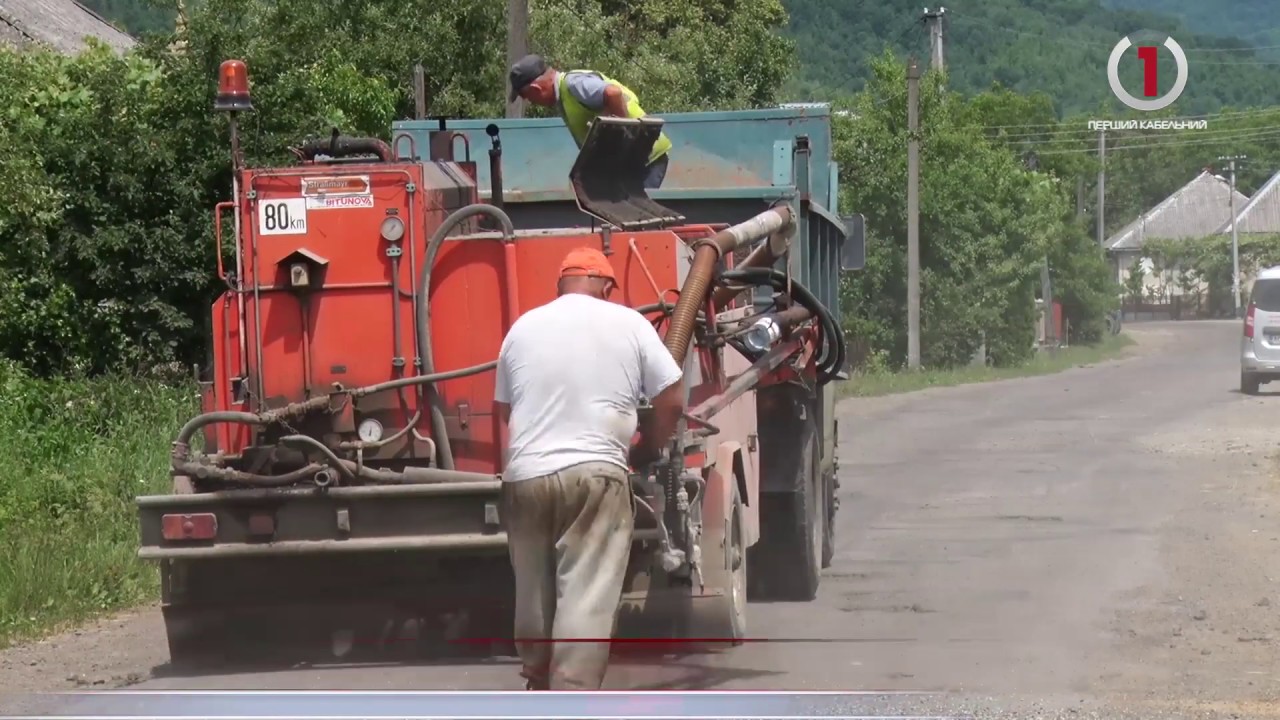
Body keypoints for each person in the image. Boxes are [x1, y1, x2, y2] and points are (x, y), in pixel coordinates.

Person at [493, 246, 685, 690]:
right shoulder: (628, 323)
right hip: (596, 473)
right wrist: (648, 446)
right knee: (586, 588)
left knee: (533, 584)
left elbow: (503, 409)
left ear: (562, 285)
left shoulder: (522, 328)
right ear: (604, 285)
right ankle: (572, 692)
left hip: (525, 476)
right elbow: (672, 397)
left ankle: (536, 673)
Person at [507, 54, 672, 190]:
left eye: (527, 97)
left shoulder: (574, 84)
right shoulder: (564, 96)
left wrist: (622, 135)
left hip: (646, 156)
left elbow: (613, 93)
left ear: (536, 89)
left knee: (635, 213)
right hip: (633, 162)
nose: (531, 102)